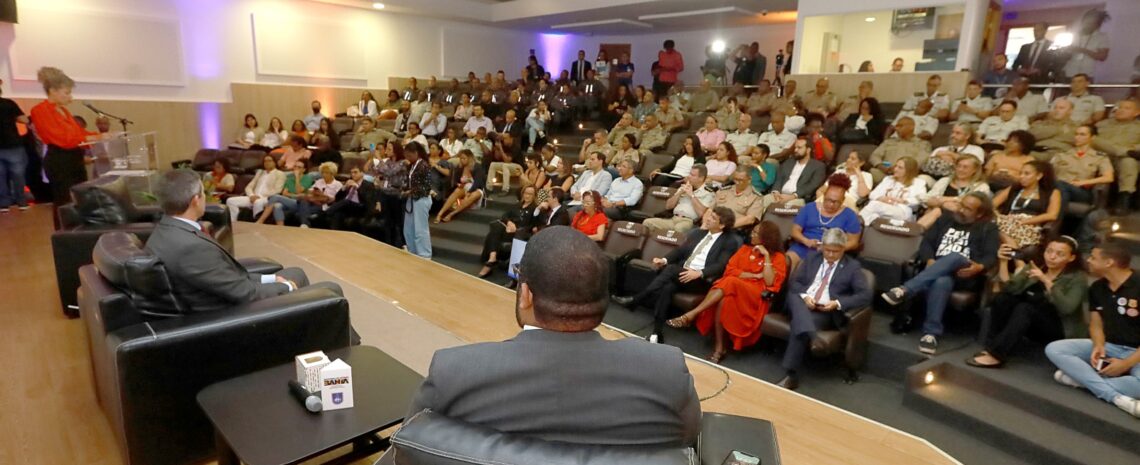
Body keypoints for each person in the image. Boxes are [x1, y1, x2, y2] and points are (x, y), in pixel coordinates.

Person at [409, 226, 701, 444]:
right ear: (603, 298)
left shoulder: (453, 371)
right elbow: (689, 443)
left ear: (526, 294)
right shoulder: (667, 372)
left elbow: (412, 447)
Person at [145, 169, 341, 313]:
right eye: (204, 194)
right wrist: (286, 287)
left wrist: (270, 279)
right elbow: (243, 293)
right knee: (330, 290)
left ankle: (307, 324)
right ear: (196, 200)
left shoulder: (166, 231)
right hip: (233, 315)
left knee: (296, 272)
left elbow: (224, 278)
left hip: (224, 296)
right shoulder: (191, 248)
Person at [882, 192, 1000, 354]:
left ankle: (905, 289)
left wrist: (979, 267)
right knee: (942, 281)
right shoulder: (945, 219)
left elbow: (991, 256)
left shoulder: (988, 228)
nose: (961, 210)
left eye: (967, 209)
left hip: (963, 273)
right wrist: (930, 260)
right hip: (937, 270)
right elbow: (926, 243)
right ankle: (930, 334)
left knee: (955, 257)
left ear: (979, 214)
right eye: (961, 205)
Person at [613, 207, 743, 344]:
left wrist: (699, 273)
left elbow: (721, 265)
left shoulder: (729, 241)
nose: (708, 219)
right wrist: (663, 260)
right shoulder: (698, 233)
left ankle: (637, 299)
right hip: (682, 274)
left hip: (700, 279)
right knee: (667, 288)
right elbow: (680, 251)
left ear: (722, 225)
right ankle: (656, 334)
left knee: (670, 270)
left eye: (713, 218)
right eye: (710, 215)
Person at [668, 221, 788, 362]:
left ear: (766, 237)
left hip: (755, 294)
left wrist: (766, 256)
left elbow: (769, 282)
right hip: (734, 288)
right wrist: (755, 275)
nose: (751, 234)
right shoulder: (744, 250)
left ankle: (692, 314)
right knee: (724, 298)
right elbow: (730, 270)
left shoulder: (778, 258)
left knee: (730, 282)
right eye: (753, 231)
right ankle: (719, 349)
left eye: (756, 233)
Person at [1045, 243, 1140, 419]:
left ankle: (1083, 380)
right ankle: (1117, 397)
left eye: (1093, 258)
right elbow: (1096, 324)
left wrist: (1125, 364)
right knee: (1055, 349)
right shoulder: (1097, 287)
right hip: (1110, 345)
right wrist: (1098, 345)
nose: (1088, 260)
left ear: (1109, 262)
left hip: (1137, 352)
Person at [776, 228, 872, 390]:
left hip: (823, 311)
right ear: (822, 246)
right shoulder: (812, 258)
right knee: (795, 297)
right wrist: (806, 297)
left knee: (800, 324)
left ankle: (791, 375)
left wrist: (837, 303)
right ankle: (813, 336)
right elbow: (796, 283)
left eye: (836, 251)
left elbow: (865, 295)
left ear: (843, 249)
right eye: (827, 250)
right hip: (801, 302)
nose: (830, 255)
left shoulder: (852, 267)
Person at [969, 237, 1087, 368]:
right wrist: (1003, 262)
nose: (1052, 257)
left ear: (1071, 258)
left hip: (1057, 328)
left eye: (1060, 254)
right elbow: (1009, 288)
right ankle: (993, 346)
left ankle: (996, 355)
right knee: (1002, 299)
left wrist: (1046, 281)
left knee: (1025, 308)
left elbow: (1067, 308)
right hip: (1029, 321)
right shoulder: (1036, 266)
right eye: (1049, 251)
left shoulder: (1077, 278)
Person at [29, 67, 100, 220]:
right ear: (53, 91)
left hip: (74, 158)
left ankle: (79, 228)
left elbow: (79, 133)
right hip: (60, 160)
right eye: (67, 93)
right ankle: (65, 230)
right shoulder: (40, 110)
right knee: (64, 201)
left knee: (80, 197)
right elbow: (61, 139)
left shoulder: (63, 111)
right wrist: (88, 139)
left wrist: (100, 136)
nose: (70, 98)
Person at [787, 174, 862, 268]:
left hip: (830, 253)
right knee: (787, 261)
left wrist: (832, 248)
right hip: (803, 246)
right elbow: (795, 231)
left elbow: (853, 242)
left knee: (814, 268)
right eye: (828, 200)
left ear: (843, 200)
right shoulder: (809, 208)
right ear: (824, 196)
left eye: (836, 202)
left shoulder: (850, 215)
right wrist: (806, 241)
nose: (831, 204)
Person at [993, 160, 1061, 249]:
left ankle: (1012, 248)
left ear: (1039, 176)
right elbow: (991, 205)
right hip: (1008, 221)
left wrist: (1024, 221)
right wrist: (999, 216)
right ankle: (1015, 252)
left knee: (1000, 231)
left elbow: (1052, 215)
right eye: (1020, 173)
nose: (1022, 176)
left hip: (1031, 225)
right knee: (992, 226)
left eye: (1026, 174)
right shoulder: (1014, 188)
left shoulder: (1052, 192)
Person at [479, 185, 539, 278]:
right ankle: (492, 257)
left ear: (534, 196)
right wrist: (509, 223)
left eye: (530, 194)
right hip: (509, 230)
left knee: (495, 233)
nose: (527, 196)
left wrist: (517, 229)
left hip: (520, 233)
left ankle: (491, 262)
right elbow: (504, 216)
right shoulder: (517, 205)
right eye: (526, 193)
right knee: (496, 227)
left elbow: (533, 225)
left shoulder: (535, 209)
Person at [917, 155, 991, 229]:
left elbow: (975, 207)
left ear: (974, 170)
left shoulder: (982, 187)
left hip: (963, 218)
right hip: (937, 214)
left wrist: (942, 201)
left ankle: (916, 230)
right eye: (959, 166)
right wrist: (947, 202)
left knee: (937, 211)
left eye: (965, 167)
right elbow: (926, 198)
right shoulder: (944, 181)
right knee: (933, 210)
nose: (960, 169)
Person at [1092, 99, 1140, 211]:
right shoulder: (1101, 125)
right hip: (1102, 156)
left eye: (1127, 108)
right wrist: (1125, 151)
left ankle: (1124, 199)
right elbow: (1094, 141)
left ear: (1137, 112)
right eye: (1119, 107)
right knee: (1094, 141)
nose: (1121, 110)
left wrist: (1132, 151)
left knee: (1128, 162)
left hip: (1126, 159)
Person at [1053, 124, 1115, 206]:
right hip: (1059, 188)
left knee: (1059, 187)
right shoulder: (1062, 154)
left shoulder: (1099, 157)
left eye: (1082, 134)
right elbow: (1050, 172)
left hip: (1081, 192)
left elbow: (1108, 178)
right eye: (1076, 134)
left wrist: (1084, 182)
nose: (1077, 137)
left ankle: (1053, 212)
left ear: (1092, 137)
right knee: (1060, 187)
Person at [645, 165, 714, 234]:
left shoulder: (708, 193)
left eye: (693, 175)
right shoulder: (683, 187)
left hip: (688, 222)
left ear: (701, 178)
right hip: (673, 219)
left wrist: (691, 195)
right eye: (689, 174)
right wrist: (679, 193)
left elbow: (702, 214)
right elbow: (668, 206)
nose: (689, 176)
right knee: (647, 223)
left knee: (678, 228)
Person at [860, 157, 927, 224]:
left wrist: (904, 201)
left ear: (909, 171)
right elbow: (872, 194)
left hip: (903, 211)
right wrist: (881, 198)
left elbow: (921, 200)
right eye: (896, 166)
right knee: (873, 216)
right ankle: (859, 226)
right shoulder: (888, 179)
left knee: (874, 205)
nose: (895, 169)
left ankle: (856, 223)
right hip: (883, 208)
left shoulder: (919, 183)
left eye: (900, 168)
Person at [765, 138, 827, 209]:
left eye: (799, 148)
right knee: (765, 200)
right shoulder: (788, 162)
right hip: (779, 194)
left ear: (808, 150)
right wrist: (776, 192)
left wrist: (793, 196)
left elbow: (812, 185)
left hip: (798, 198)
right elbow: (779, 178)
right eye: (795, 147)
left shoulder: (818, 166)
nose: (795, 150)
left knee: (789, 207)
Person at [869, 117, 932, 183]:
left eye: (900, 126)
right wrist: (880, 165)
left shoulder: (923, 144)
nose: (896, 129)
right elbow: (875, 155)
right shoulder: (889, 142)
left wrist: (900, 168)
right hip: (885, 173)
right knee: (871, 173)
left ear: (911, 127)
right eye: (896, 126)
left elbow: (920, 161)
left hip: (907, 176)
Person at [224, 154, 286, 222]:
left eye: (269, 161)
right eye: (265, 161)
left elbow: (277, 190)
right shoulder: (260, 172)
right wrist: (251, 195)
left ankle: (255, 223)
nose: (267, 163)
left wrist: (260, 196)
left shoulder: (280, 174)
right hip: (253, 197)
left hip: (267, 198)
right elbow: (249, 187)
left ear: (274, 162)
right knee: (230, 201)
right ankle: (233, 222)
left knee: (257, 202)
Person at [0, 81, 29, 212]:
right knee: (18, 175)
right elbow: (24, 120)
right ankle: (21, 201)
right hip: (13, 145)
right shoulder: (9, 103)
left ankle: (3, 204)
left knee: (0, 177)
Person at [435, 149, 485, 224]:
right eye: (461, 158)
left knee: (476, 194)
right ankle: (440, 214)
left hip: (475, 189)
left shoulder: (477, 167)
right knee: (457, 190)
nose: (462, 160)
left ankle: (451, 214)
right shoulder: (459, 168)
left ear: (469, 158)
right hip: (464, 188)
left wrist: (469, 192)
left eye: (464, 158)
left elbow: (478, 182)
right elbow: (454, 181)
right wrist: (458, 184)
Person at [403, 142, 433, 259]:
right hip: (412, 198)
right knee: (408, 228)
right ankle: (413, 251)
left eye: (409, 156)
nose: (408, 158)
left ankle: (424, 255)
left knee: (420, 228)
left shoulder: (424, 165)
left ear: (416, 153)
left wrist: (411, 191)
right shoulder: (412, 165)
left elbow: (426, 186)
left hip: (421, 199)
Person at [1061, 9, 1110, 80]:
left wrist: (1082, 50)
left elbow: (1103, 57)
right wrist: (1066, 50)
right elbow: (1064, 52)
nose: (1087, 24)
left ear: (1097, 25)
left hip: (1086, 75)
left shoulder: (1101, 37)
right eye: (1086, 21)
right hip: (1067, 73)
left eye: (1091, 23)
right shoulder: (1074, 34)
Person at [325, 167, 377, 231]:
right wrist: (344, 187)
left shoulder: (368, 185)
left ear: (362, 173)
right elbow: (337, 198)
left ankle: (325, 213)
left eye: (355, 172)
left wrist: (357, 187)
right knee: (338, 214)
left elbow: (367, 200)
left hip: (360, 207)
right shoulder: (349, 182)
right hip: (347, 207)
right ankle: (334, 234)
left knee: (346, 201)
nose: (353, 174)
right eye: (351, 173)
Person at [295, 162, 342, 228]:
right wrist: (314, 192)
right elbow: (309, 191)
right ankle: (305, 224)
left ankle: (305, 223)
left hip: (324, 206)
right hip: (314, 203)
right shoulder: (319, 181)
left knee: (301, 210)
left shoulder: (338, 184)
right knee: (303, 201)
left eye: (326, 173)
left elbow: (335, 200)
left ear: (332, 173)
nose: (324, 175)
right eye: (322, 173)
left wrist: (322, 195)